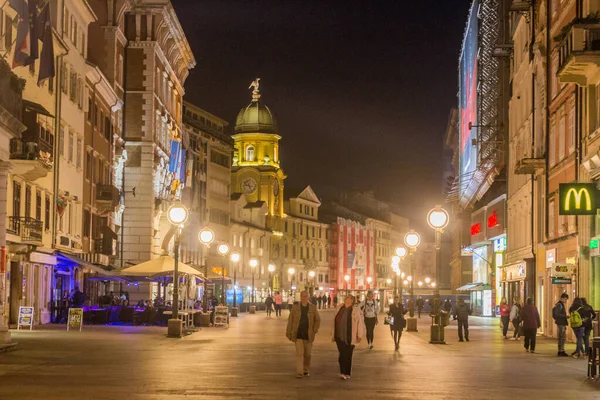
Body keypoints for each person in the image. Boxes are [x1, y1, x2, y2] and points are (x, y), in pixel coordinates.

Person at [286, 291, 321, 379]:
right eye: (303, 296)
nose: (304, 298)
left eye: (306, 296)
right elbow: (290, 320)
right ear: (300, 297)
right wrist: (288, 332)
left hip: (308, 335)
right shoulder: (295, 307)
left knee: (307, 354)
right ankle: (299, 372)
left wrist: (314, 330)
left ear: (308, 297)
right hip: (298, 334)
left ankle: (306, 369)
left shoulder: (312, 308)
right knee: (299, 353)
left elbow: (318, 320)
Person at [331, 294, 364, 380]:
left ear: (352, 301)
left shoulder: (355, 310)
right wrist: (333, 333)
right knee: (342, 354)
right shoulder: (339, 308)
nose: (347, 299)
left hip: (351, 336)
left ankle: (347, 372)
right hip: (339, 335)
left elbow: (360, 323)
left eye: (349, 298)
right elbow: (334, 321)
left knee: (348, 355)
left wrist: (359, 335)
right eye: (346, 297)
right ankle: (342, 372)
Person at [552, 293, 569, 357]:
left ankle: (560, 350)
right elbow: (557, 314)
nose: (565, 301)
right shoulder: (559, 305)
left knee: (560, 337)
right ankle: (561, 350)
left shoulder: (559, 305)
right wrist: (565, 316)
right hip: (561, 323)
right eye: (565, 299)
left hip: (560, 322)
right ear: (561, 298)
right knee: (562, 337)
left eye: (566, 299)